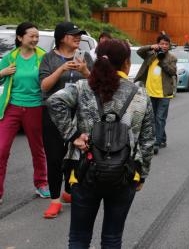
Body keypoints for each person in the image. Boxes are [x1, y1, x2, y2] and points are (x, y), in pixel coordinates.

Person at [47, 39, 155, 248]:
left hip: (83, 170)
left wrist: (74, 135)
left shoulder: (82, 87)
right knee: (112, 238)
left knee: (79, 237)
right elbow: (148, 140)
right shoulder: (139, 94)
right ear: (126, 63)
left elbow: (54, 101)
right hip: (124, 174)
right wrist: (142, 175)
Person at [39, 21, 93, 218]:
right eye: (74, 34)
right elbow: (44, 87)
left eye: (79, 34)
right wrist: (61, 70)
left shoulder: (85, 56)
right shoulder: (48, 58)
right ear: (62, 37)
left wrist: (85, 72)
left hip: (79, 114)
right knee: (54, 157)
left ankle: (69, 192)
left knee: (76, 156)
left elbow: (95, 83)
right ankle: (55, 201)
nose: (78, 37)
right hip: (52, 114)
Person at [0, 22, 49, 204]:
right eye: (32, 36)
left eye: (37, 36)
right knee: (1, 149)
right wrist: (2, 72)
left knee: (37, 149)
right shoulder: (10, 57)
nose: (35, 39)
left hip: (35, 107)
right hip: (11, 108)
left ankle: (42, 184)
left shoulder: (43, 57)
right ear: (20, 38)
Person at [134, 34, 177, 154]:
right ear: (158, 44)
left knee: (160, 118)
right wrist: (151, 47)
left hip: (164, 94)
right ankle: (162, 138)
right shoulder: (150, 54)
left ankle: (156, 143)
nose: (164, 46)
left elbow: (172, 71)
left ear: (169, 46)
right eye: (162, 43)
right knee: (153, 119)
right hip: (150, 92)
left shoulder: (171, 57)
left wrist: (162, 59)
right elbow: (139, 51)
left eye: (166, 44)